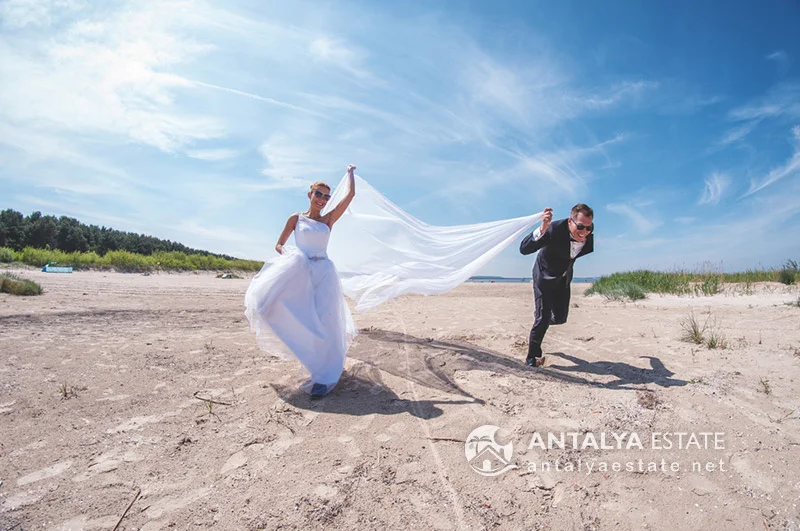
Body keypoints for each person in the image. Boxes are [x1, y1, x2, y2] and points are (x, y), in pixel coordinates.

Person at [244, 165, 357, 399]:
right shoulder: (296, 219)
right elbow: (279, 244)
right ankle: (313, 361)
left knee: (326, 322)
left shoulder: (328, 221)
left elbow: (350, 197)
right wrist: (290, 256)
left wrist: (350, 175)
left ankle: (324, 376)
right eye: (319, 194)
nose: (323, 199)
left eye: (326, 196)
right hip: (301, 272)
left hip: (324, 273)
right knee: (270, 307)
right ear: (310, 194)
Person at [519, 204, 594, 367]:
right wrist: (542, 229)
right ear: (570, 221)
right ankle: (532, 356)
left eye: (589, 227)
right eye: (580, 226)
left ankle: (542, 319)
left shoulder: (588, 235)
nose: (584, 232)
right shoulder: (553, 229)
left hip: (563, 278)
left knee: (560, 318)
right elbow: (524, 249)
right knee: (543, 317)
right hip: (543, 276)